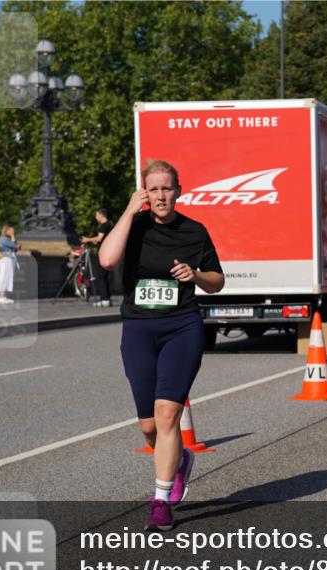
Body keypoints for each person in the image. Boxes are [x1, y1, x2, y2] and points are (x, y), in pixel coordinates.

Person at [98, 159, 225, 531]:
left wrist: (197, 275)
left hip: (181, 327)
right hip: (139, 329)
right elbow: (106, 260)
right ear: (144, 193)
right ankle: (180, 459)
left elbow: (218, 281)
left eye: (166, 188)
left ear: (178, 190)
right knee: (149, 426)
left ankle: (160, 502)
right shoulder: (133, 227)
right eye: (152, 189)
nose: (160, 195)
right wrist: (127, 210)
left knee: (168, 415)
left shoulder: (194, 231)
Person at [79, 208, 114, 307]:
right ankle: (107, 299)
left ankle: (104, 299)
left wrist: (87, 239)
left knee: (101, 276)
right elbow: (98, 240)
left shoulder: (104, 225)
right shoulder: (109, 225)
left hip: (103, 253)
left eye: (96, 215)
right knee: (104, 277)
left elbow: (99, 238)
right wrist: (89, 241)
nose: (95, 217)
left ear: (101, 215)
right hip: (107, 252)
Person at [0, 224, 18, 304]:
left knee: (7, 277)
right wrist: (13, 238)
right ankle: (1, 296)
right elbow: (14, 245)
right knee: (4, 276)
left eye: (13, 231)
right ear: (6, 231)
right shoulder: (4, 239)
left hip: (8, 259)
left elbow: (15, 248)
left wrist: (15, 245)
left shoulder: (6, 239)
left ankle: (3, 296)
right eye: (11, 231)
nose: (12, 232)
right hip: (5, 259)